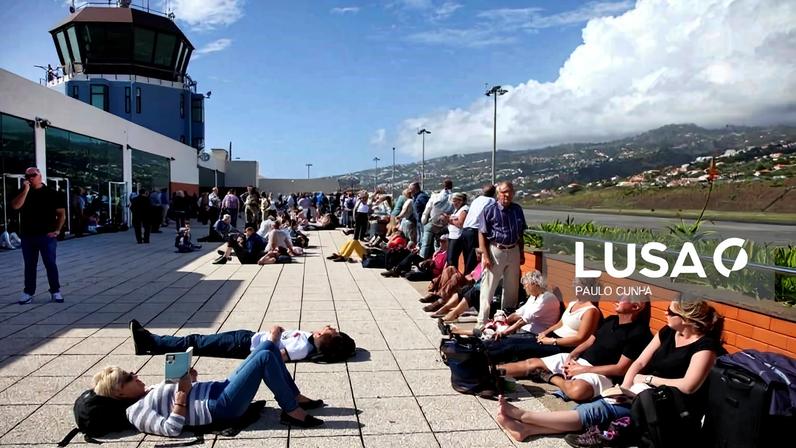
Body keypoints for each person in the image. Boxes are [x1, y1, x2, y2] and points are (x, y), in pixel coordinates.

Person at [495, 299, 723, 443]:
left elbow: (688, 386)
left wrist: (648, 380)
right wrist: (627, 387)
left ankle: (526, 418)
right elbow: (639, 364)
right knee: (604, 406)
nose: (665, 315)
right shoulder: (667, 332)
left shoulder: (705, 347)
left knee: (599, 411)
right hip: (643, 393)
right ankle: (526, 429)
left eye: (671, 313)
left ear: (687, 320)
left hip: (669, 406)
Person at [92, 332, 326, 438]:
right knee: (264, 356)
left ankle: (294, 398)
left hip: (218, 389)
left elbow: (182, 391)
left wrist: (189, 378)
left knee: (267, 347)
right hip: (219, 407)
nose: (135, 375)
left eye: (130, 372)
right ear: (118, 393)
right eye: (128, 378)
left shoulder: (148, 391)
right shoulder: (136, 412)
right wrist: (182, 394)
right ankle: (291, 410)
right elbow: (171, 429)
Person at [499, 294, 652, 402]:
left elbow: (620, 369)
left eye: (623, 298)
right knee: (531, 362)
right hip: (579, 362)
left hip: (602, 374)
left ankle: (550, 377)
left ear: (636, 306)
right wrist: (571, 356)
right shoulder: (611, 320)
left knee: (578, 391)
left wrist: (582, 370)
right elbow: (590, 341)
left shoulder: (639, 333)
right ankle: (490, 370)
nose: (617, 299)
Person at [484, 275, 601, 363]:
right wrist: (544, 333)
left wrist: (552, 341)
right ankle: (479, 347)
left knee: (515, 347)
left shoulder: (590, 310)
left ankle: (483, 358)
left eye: (578, 285)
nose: (574, 287)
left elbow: (580, 339)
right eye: (575, 284)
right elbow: (560, 323)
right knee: (508, 341)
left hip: (563, 346)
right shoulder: (573, 303)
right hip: (551, 338)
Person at [130, 320, 356, 363]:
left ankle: (151, 341)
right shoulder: (307, 341)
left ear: (325, 337)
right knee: (198, 341)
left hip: (243, 345)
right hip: (246, 338)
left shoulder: (302, 348)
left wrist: (274, 334)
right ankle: (151, 342)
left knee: (196, 341)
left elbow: (275, 356)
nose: (330, 326)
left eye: (332, 330)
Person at [12, 167, 66, 304]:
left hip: (46, 235)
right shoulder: (23, 192)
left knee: (50, 263)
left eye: (33, 175)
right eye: (27, 176)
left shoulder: (52, 193)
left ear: (40, 176)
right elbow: (15, 206)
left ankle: (55, 291)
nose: (30, 178)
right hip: (27, 235)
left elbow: (61, 214)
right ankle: (28, 292)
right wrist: (25, 190)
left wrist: (58, 230)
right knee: (30, 265)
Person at [477, 181, 527, 327]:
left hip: (514, 250)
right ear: (498, 193)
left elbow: (521, 233)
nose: (507, 195)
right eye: (504, 192)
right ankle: (482, 322)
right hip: (495, 250)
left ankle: (505, 321)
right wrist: (485, 255)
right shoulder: (489, 209)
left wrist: (522, 252)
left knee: (512, 289)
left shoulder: (517, 209)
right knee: (488, 287)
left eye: (510, 192)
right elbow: (482, 233)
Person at [461, 184, 496, 274]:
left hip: (465, 230)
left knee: (467, 258)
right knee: (473, 260)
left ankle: (465, 280)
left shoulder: (477, 200)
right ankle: (469, 282)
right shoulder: (491, 201)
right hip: (475, 231)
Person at [420, 179, 454, 259]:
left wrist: (424, 221)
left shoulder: (435, 196)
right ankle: (437, 260)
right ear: (451, 186)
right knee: (439, 244)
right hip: (444, 224)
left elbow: (427, 209)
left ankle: (421, 260)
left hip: (432, 223)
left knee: (425, 244)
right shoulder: (453, 198)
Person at [446, 192, 468, 268]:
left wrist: (449, 220)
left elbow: (460, 224)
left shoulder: (464, 210)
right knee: (449, 259)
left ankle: (453, 277)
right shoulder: (457, 210)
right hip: (452, 236)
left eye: (455, 201)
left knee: (452, 260)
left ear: (460, 201)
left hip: (457, 237)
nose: (453, 203)